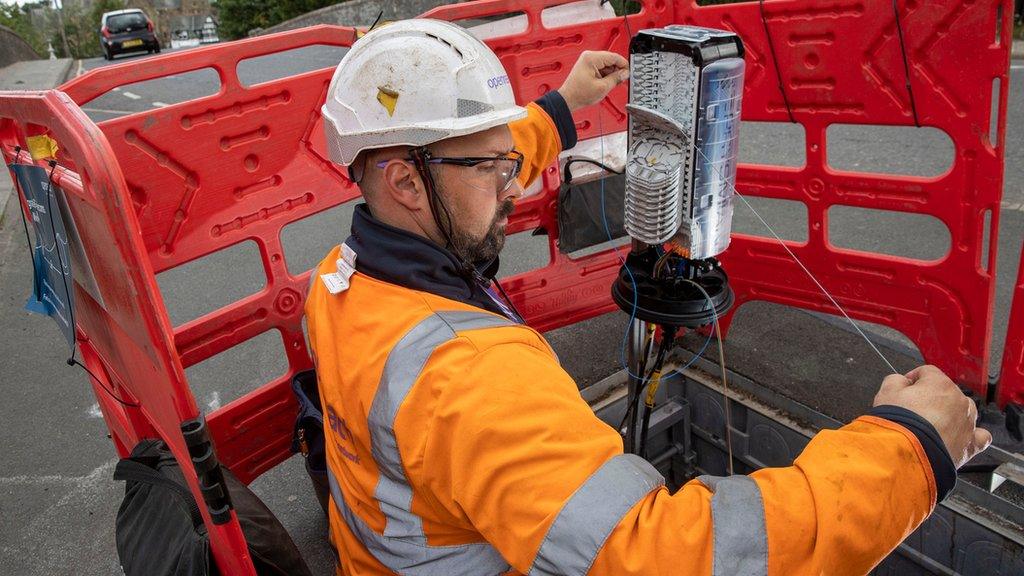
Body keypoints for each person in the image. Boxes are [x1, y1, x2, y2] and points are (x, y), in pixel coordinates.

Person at [305, 18, 992, 576]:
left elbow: (471, 155)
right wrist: (911, 451)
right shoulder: (470, 380)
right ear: (404, 183)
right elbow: (664, 555)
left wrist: (561, 109)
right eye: (495, 169)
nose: (515, 187)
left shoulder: (340, 279)